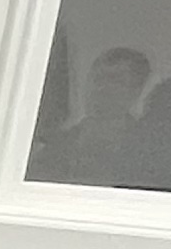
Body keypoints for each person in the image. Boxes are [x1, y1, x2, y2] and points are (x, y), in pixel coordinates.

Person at [28, 43, 148, 184]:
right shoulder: (59, 145)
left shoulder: (144, 148)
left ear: (136, 91)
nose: (101, 88)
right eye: (97, 78)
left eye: (115, 80)